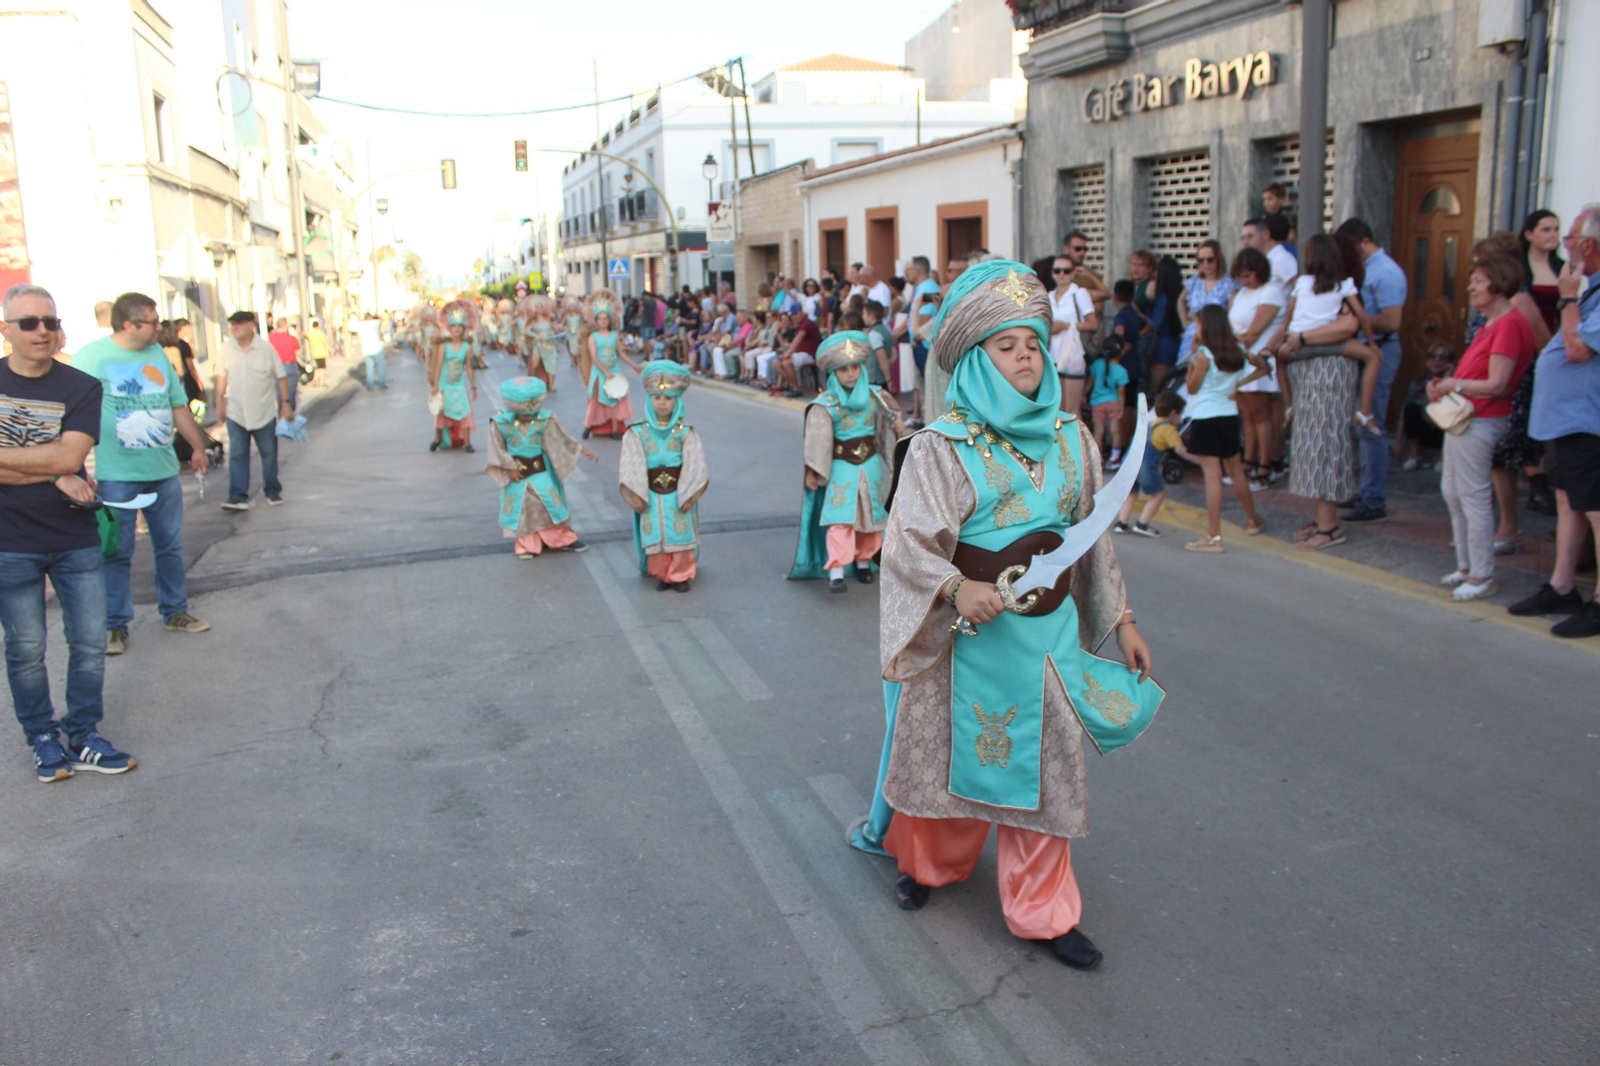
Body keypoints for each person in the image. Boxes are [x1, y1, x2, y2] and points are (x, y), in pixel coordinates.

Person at [864, 259, 1161, 971]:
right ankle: (928, 869)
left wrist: (1121, 620)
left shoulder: (1072, 438)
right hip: (965, 641)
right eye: (1006, 344)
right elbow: (907, 543)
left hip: (1047, 643)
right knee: (945, 766)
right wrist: (951, 586)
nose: (1025, 356)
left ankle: (1045, 913)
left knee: (1044, 780)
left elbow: (1093, 540)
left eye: (1033, 341)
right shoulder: (939, 448)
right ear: (972, 357)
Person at [0, 284, 140, 781]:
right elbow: (58, 459)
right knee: (26, 649)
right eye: (29, 323)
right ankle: (41, 736)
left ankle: (83, 734)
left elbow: (69, 456)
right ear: (6, 330)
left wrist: (61, 464)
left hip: (74, 535)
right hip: (10, 541)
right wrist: (53, 466)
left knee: (87, 644)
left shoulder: (81, 386)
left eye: (50, 321)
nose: (42, 331)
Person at [70, 291, 214, 655]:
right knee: (117, 552)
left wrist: (197, 447)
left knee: (169, 546)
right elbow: (72, 413)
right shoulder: (91, 357)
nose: (159, 329)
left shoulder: (157, 355)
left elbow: (177, 405)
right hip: (117, 475)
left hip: (163, 471)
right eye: (153, 322)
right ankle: (115, 626)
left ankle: (175, 611)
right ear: (130, 324)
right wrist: (74, 467)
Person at [1511, 204, 1600, 637]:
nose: (1566, 247)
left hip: (1590, 421)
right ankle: (1563, 586)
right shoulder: (1591, 289)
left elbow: (1580, 348)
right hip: (1570, 420)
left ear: (1589, 246)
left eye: (1570, 240)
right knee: (1569, 502)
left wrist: (1566, 297)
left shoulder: (1585, 292)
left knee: (1597, 510)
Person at [1432, 253, 1538, 601]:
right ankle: (1467, 567)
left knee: (1473, 496)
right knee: (1454, 491)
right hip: (1470, 417)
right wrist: (1449, 383)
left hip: (1482, 419)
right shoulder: (1490, 323)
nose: (1470, 287)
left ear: (1498, 283)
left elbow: (1497, 384)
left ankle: (1482, 574)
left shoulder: (1507, 324)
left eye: (1478, 280)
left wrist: (1453, 385)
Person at [788, 330, 903, 592]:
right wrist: (812, 472)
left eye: (854, 367)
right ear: (833, 374)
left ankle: (864, 564)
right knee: (839, 518)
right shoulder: (826, 403)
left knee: (870, 517)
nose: (850, 374)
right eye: (843, 370)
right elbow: (817, 441)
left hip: (870, 465)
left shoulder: (876, 396)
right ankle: (837, 572)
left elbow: (891, 425)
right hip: (841, 466)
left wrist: (897, 424)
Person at [1269, 234, 1385, 439]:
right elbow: (1362, 317)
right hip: (1334, 343)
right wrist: (1372, 342)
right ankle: (1365, 411)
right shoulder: (1344, 284)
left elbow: (1290, 315)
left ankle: (1288, 406)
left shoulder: (1303, 282)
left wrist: (1284, 337)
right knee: (1373, 358)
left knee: (1279, 358)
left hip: (1299, 346)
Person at [1330, 218, 1408, 524]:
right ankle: (1364, 491)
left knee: (1370, 423)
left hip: (1381, 350)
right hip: (1362, 350)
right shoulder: (1365, 270)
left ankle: (1374, 499)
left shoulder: (1385, 271)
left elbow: (1392, 320)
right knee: (1360, 426)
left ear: (1363, 242)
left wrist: (1351, 320)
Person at [1181, 305, 1267, 552]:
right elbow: (1263, 365)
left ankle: (1214, 536)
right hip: (1229, 416)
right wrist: (1240, 384)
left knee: (1212, 477)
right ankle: (1253, 519)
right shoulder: (1238, 349)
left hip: (1206, 417)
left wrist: (1192, 357)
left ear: (1206, 325)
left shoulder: (1203, 355)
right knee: (1236, 471)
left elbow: (1192, 388)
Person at [619, 360, 709, 592]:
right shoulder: (637, 432)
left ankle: (681, 574)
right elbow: (631, 463)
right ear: (650, 399)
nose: (662, 402)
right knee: (656, 532)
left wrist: (689, 493)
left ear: (676, 401)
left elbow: (694, 463)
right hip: (649, 492)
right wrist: (636, 493)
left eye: (668, 398)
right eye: (657, 398)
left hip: (677, 491)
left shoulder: (685, 432)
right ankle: (662, 574)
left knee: (679, 531)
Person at [484, 376, 596, 558]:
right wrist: (507, 468)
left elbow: (559, 439)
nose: (529, 415)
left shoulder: (545, 419)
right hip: (517, 474)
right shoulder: (500, 423)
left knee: (549, 503)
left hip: (540, 470)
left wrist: (579, 448)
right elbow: (496, 447)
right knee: (524, 508)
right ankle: (527, 545)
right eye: (524, 411)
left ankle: (561, 539)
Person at [216, 310, 292, 510]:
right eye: (233, 324)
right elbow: (221, 377)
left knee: (268, 453)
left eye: (240, 323)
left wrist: (285, 403)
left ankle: (272, 490)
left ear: (252, 325)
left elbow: (281, 376)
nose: (236, 328)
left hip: (263, 411)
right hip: (237, 412)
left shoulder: (265, 349)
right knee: (238, 454)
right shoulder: (226, 349)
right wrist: (218, 401)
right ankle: (237, 495)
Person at [1227, 247, 1288, 489]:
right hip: (1241, 359)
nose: (1244, 280)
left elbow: (1254, 331)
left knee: (1261, 414)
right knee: (1248, 414)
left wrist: (1237, 337)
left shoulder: (1271, 291)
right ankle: (1249, 460)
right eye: (1241, 275)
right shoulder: (1242, 293)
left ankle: (1265, 465)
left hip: (1260, 360)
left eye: (1249, 275)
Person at [1114, 392, 1192, 537]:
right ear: (1174, 413)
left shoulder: (1149, 425)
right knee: (1158, 494)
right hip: (1145, 466)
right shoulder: (1169, 430)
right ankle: (1143, 524)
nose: (1180, 419)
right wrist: (1199, 460)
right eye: (1180, 415)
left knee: (1132, 493)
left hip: (1128, 463)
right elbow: (1180, 451)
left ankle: (1122, 523)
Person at [580, 289, 641, 440]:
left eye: (605, 318)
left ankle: (615, 430)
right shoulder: (592, 337)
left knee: (615, 399)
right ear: (596, 319)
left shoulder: (614, 335)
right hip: (599, 373)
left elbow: (621, 353)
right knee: (595, 400)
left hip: (614, 370)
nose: (603, 321)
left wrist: (634, 366)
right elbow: (594, 358)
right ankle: (588, 426)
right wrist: (605, 372)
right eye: (600, 318)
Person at [1047, 254, 1099, 420]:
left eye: (1066, 270)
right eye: (1057, 270)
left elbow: (1093, 323)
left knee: (1072, 411)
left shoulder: (1079, 293)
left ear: (1073, 273)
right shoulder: (1049, 296)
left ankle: (1081, 446)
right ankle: (1063, 446)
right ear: (1052, 273)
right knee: (1058, 410)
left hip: (1073, 355)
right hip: (1053, 355)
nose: (1061, 274)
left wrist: (1066, 325)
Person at [428, 300, 479, 453]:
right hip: (445, 384)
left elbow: (468, 367)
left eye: (459, 327)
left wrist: (473, 386)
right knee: (442, 412)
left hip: (458, 384)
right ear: (449, 328)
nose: (456, 329)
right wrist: (435, 385)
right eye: (454, 326)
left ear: (463, 329)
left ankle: (467, 443)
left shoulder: (467, 347)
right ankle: (437, 439)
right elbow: (438, 366)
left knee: (465, 411)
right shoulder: (443, 346)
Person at [1177, 239, 1237, 364]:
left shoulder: (1228, 284)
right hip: (1193, 335)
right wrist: (1185, 322)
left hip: (1215, 337)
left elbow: (1233, 312)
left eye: (1210, 259)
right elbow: (1180, 301)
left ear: (1218, 259)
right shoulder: (1194, 281)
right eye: (1201, 260)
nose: (1205, 264)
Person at [1085, 346, 1127, 467]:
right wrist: (1122, 408)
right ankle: (1115, 458)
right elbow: (1121, 392)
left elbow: (1090, 381)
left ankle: (1098, 458)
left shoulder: (1097, 364)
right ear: (1120, 354)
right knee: (1115, 431)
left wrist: (1084, 393)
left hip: (1097, 403)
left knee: (1099, 431)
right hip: (1114, 402)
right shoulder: (1122, 370)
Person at [772, 306, 821, 399]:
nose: (794, 317)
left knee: (787, 362)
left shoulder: (807, 323)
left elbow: (798, 339)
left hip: (809, 354)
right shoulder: (799, 325)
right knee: (776, 362)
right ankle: (791, 385)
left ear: (801, 312)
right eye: (793, 315)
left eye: (796, 314)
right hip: (800, 353)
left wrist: (788, 353)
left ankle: (796, 388)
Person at [1061, 230, 1111, 316]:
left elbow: (1107, 294)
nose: (1082, 253)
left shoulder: (1090, 274)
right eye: (1078, 249)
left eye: (1085, 249)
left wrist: (1089, 275)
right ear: (1066, 249)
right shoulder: (1057, 272)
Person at [1242, 216, 1298, 288]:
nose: (1245, 242)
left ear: (1266, 234)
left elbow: (1298, 287)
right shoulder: (1261, 260)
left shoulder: (1281, 258)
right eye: (1243, 238)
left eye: (1250, 236)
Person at [523, 294, 560, 389]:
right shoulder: (533, 321)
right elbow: (526, 331)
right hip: (539, 345)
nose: (539, 309)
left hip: (549, 344)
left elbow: (556, 328)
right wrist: (535, 335)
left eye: (541, 306)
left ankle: (551, 385)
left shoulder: (548, 319)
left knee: (551, 364)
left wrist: (561, 329)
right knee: (534, 364)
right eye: (537, 307)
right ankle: (533, 381)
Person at [267, 317, 301, 411]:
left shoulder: (271, 339)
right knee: (291, 391)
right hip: (290, 365)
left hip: (277, 365)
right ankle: (291, 412)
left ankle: (281, 412)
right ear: (286, 326)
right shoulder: (291, 338)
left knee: (280, 391)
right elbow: (298, 352)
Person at [862, 300, 895, 388]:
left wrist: (888, 379)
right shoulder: (885, 330)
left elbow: (882, 358)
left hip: (875, 379)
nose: (863, 317)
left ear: (872, 316)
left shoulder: (874, 334)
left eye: (864, 314)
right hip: (881, 377)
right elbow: (894, 353)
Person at [1261, 183, 1297, 258]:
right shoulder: (1263, 220)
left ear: (1281, 200)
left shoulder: (1286, 218)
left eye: (1270, 199)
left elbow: (1292, 238)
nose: (1267, 203)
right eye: (1265, 199)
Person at [353, 312, 387, 389]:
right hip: (376, 349)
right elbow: (382, 319)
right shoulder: (373, 323)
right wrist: (377, 314)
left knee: (369, 368)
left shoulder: (360, 324)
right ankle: (381, 384)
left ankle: (370, 385)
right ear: (370, 318)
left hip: (366, 350)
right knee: (381, 367)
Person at [306, 319, 330, 387]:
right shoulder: (321, 334)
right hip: (321, 353)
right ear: (318, 326)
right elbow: (325, 342)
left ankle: (315, 379)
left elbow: (305, 335)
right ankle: (320, 382)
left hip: (314, 353)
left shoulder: (310, 334)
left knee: (317, 367)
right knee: (321, 368)